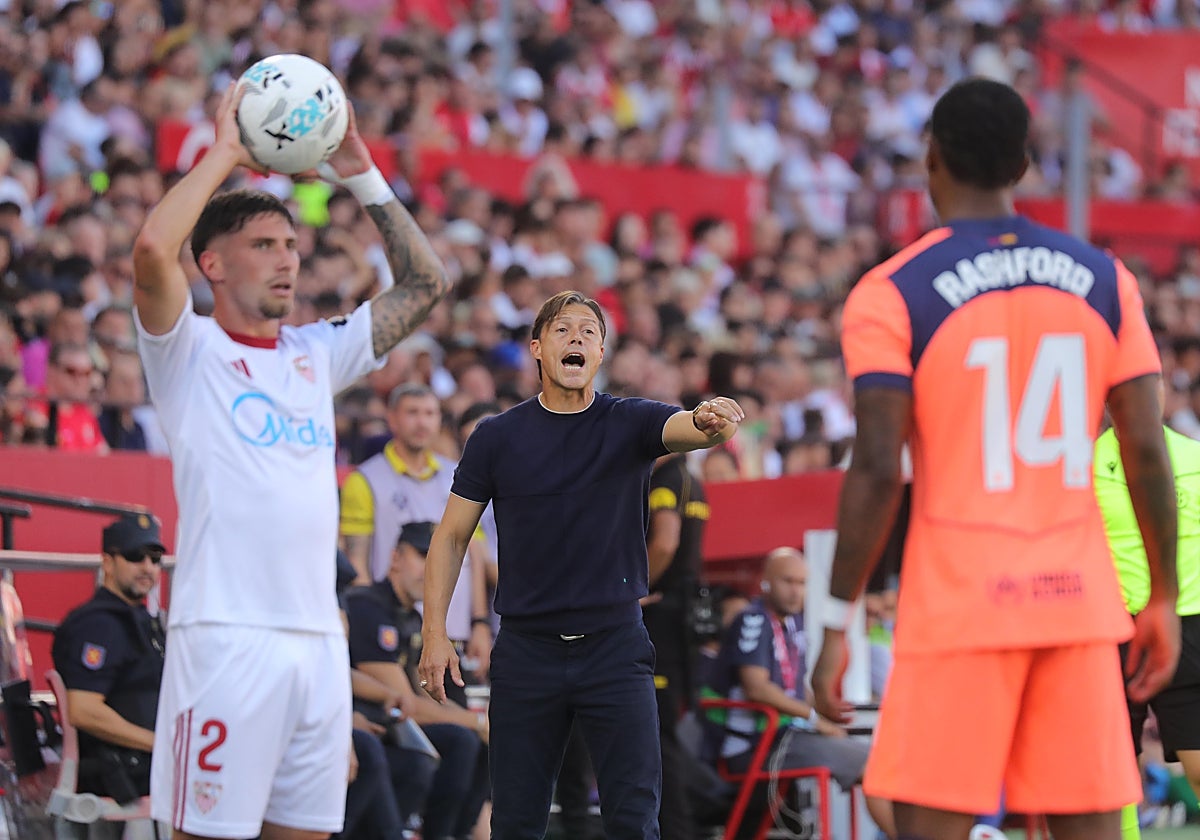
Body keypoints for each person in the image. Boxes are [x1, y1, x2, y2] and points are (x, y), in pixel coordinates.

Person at [811, 77, 1180, 840]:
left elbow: (879, 467)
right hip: (1075, 602)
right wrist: (1165, 597)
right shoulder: (1107, 281)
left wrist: (836, 619)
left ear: (931, 158)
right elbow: (1145, 446)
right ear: (1022, 165)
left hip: (959, 608)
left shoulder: (891, 291)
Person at [132, 81, 449, 840]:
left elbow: (427, 283)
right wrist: (225, 153)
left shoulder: (316, 352)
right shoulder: (188, 351)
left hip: (315, 647)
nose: (287, 261)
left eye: (291, 246)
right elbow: (151, 247)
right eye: (263, 246)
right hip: (223, 636)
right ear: (210, 262)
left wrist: (362, 170)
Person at [418, 289, 745, 840]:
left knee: (635, 818)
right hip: (526, 650)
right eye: (564, 330)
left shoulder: (631, 422)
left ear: (600, 354)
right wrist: (434, 633)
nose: (577, 339)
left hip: (615, 647)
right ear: (538, 349)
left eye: (589, 332)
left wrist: (721, 420)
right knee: (517, 821)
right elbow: (450, 538)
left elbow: (696, 428)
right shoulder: (496, 437)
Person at [708, 547, 892, 836]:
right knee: (876, 765)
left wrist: (823, 718)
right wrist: (815, 719)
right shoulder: (753, 619)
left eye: (802, 583)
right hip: (756, 744)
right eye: (788, 581)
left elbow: (795, 688)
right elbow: (756, 688)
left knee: (883, 762)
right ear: (766, 582)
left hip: (786, 736)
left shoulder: (793, 623)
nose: (796, 591)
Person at [339, 383, 491, 697]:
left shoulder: (459, 474)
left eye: (429, 414)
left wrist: (479, 622)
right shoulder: (364, 479)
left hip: (456, 632)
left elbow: (474, 554)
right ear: (392, 419)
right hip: (400, 635)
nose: (421, 422)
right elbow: (358, 566)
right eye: (412, 413)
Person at [344, 521, 490, 840]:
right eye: (422, 555)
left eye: (437, 559)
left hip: (390, 732)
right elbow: (408, 704)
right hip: (368, 731)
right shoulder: (369, 607)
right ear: (395, 557)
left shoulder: (412, 618)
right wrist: (477, 722)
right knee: (460, 740)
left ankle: (452, 834)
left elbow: (424, 697)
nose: (430, 568)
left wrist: (480, 725)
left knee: (476, 743)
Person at [1095, 420, 1200, 837]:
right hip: (1113, 629)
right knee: (1113, 769)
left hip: (1189, 624)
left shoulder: (1193, 456)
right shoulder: (1085, 467)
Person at [51, 513, 167, 834]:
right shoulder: (100, 624)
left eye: (155, 558)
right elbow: (84, 711)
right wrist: (161, 744)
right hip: (128, 772)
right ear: (108, 562)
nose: (147, 567)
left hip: (138, 766)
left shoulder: (136, 619)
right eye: (134, 556)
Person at [643, 451, 709, 840]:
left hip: (662, 618)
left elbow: (665, 544)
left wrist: (634, 589)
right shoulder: (691, 480)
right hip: (681, 617)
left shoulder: (667, 481)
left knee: (658, 740)